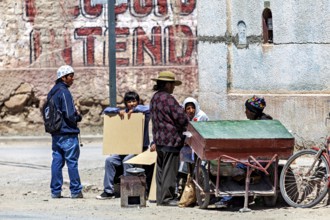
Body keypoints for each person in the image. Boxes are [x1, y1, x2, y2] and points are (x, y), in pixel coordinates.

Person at [216, 95, 273, 207]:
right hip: (267, 159)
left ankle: (226, 199)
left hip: (257, 161)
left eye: (246, 109)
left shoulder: (256, 126)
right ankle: (238, 200)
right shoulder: (268, 122)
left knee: (232, 170)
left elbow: (250, 148)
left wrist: (237, 160)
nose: (245, 112)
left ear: (252, 111)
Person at [96, 91, 150, 200]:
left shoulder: (143, 114)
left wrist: (135, 109)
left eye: (134, 101)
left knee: (126, 161)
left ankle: (128, 191)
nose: (132, 104)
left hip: (139, 149)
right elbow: (106, 111)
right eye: (129, 101)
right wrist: (117, 111)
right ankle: (108, 191)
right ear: (125, 103)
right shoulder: (123, 113)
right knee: (110, 160)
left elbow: (149, 108)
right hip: (124, 149)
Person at [150, 71, 189, 206]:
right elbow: (181, 117)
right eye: (172, 84)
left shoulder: (154, 98)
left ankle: (161, 197)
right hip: (170, 140)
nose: (173, 87)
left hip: (159, 139)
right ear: (167, 84)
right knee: (169, 171)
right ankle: (167, 198)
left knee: (161, 170)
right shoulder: (168, 99)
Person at [48, 65, 83, 199]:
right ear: (63, 77)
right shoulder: (64, 92)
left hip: (56, 133)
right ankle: (76, 191)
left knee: (57, 161)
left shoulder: (52, 92)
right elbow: (69, 114)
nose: (72, 79)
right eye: (70, 76)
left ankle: (55, 191)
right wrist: (78, 117)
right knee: (72, 162)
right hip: (67, 132)